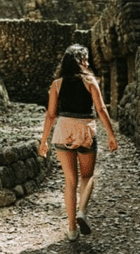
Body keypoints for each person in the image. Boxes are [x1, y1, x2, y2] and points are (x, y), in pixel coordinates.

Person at [39, 44, 119, 241]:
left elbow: (50, 114)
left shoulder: (57, 84)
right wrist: (111, 134)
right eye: (86, 59)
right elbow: (101, 110)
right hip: (85, 129)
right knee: (88, 176)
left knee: (70, 182)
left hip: (63, 129)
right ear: (81, 61)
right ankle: (82, 211)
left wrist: (44, 141)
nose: (89, 62)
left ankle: (72, 229)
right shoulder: (90, 81)